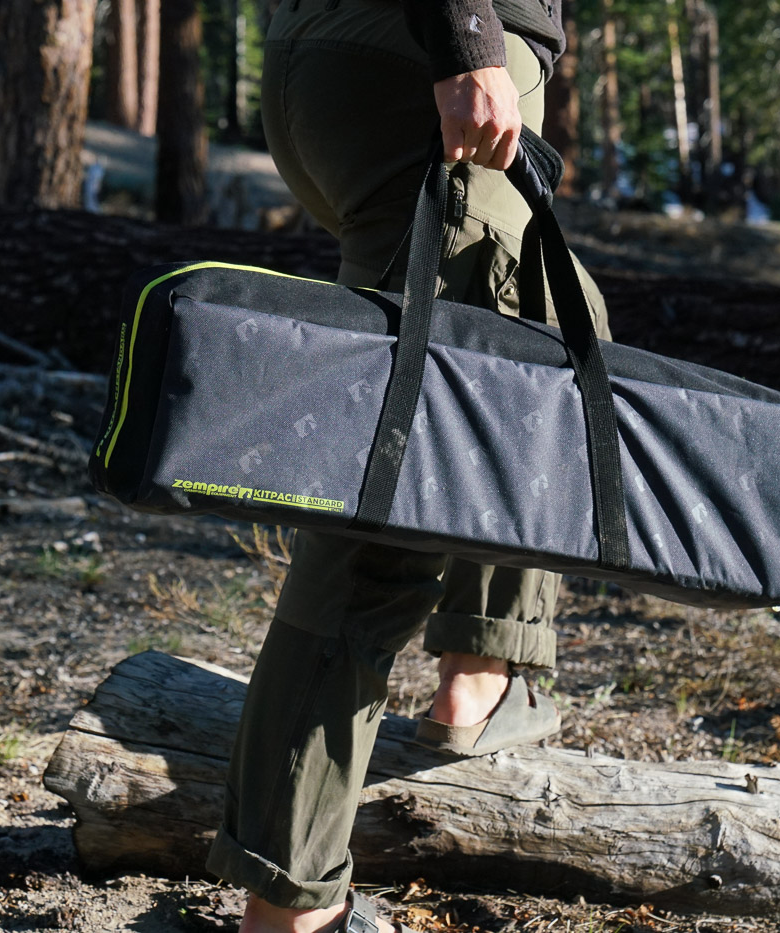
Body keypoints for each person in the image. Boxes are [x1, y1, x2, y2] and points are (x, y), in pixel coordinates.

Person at [203, 2, 612, 932]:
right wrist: (468, 44)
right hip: (427, 57)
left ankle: (482, 669)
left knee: (512, 355)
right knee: (387, 509)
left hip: (343, 56)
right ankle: (289, 909)